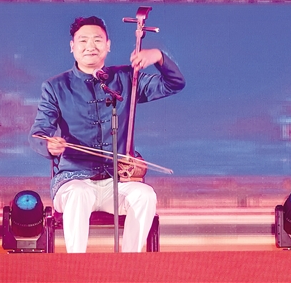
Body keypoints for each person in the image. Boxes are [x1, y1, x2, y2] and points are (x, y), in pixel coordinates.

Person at [29, 16, 185, 253]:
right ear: (72, 46)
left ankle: (129, 265)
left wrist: (158, 56)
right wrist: (49, 145)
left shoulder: (127, 78)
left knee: (145, 195)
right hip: (74, 180)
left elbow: (174, 84)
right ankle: (76, 267)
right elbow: (38, 134)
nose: (90, 46)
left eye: (97, 40)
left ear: (108, 45)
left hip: (119, 180)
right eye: (83, 40)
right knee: (79, 193)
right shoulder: (55, 86)